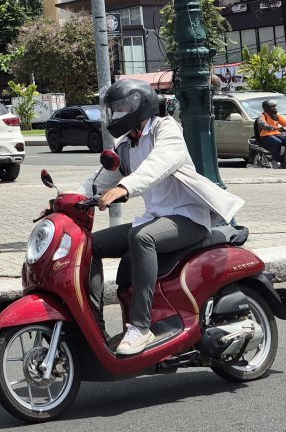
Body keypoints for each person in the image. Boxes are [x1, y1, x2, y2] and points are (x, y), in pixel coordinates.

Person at [86, 80, 245, 356]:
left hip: (189, 219)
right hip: (156, 218)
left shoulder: (166, 129)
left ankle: (140, 327)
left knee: (142, 237)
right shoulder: (125, 145)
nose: (118, 114)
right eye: (115, 110)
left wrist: (126, 187)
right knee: (89, 245)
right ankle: (93, 326)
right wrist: (64, 201)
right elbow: (98, 182)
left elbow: (158, 164)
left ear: (140, 105)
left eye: (123, 108)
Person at [253, 99, 286, 163]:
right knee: (277, 142)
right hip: (265, 135)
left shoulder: (276, 115)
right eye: (272, 107)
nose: (274, 108)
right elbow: (263, 124)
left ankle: (285, 158)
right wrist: (271, 127)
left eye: (275, 107)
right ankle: (275, 161)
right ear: (267, 108)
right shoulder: (262, 116)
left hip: (276, 134)